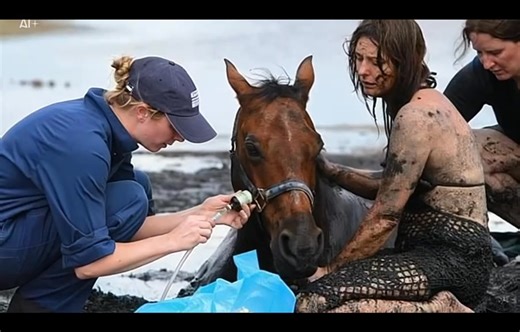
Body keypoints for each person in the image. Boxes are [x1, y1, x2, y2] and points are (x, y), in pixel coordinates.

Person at [0, 55, 255, 313]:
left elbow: (128, 227)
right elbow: (90, 262)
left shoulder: (108, 132)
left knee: (135, 190)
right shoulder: (83, 145)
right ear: (142, 112)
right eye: (175, 125)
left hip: (13, 235)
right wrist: (173, 241)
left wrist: (202, 214)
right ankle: (39, 307)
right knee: (129, 199)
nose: (180, 137)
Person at [295, 20, 493, 313]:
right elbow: (388, 186)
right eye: (359, 59)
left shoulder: (415, 116)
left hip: (453, 260)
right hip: (442, 253)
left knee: (316, 300)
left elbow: (385, 215)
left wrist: (330, 271)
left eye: (377, 61)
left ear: (406, 60)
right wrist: (331, 170)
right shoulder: (423, 101)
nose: (363, 70)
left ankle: (443, 307)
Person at [444, 20, 520, 232]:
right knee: (465, 150)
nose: (487, 63)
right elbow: (437, 127)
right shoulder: (483, 73)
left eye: (495, 52)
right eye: (479, 53)